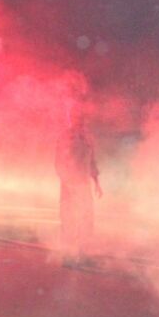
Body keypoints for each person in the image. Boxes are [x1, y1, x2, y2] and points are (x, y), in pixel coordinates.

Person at [54, 105, 102, 266]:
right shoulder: (65, 137)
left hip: (83, 185)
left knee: (86, 219)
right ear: (71, 120)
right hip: (69, 185)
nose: (79, 122)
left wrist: (97, 183)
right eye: (76, 119)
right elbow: (59, 163)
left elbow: (92, 163)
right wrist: (67, 182)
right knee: (69, 220)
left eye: (81, 119)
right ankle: (67, 256)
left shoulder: (88, 139)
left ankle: (84, 255)